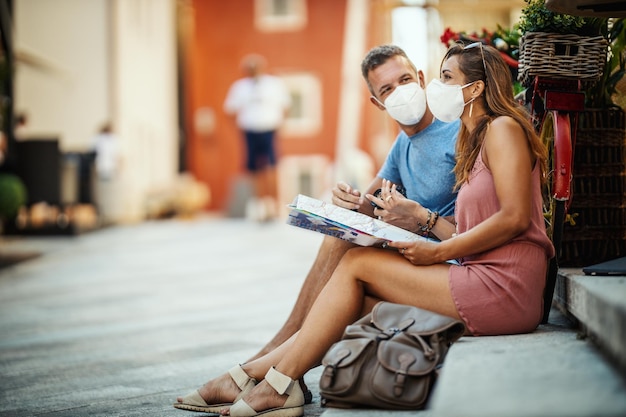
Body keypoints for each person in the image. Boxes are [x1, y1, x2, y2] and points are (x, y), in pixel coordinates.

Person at [178, 41, 556, 417]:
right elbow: (396, 207)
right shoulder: (470, 139)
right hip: (475, 271)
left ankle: (271, 381)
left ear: (472, 88)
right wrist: (358, 204)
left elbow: (514, 218)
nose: (433, 88)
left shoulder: (500, 129)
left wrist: (430, 239)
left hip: (501, 286)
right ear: (376, 101)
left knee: (356, 263)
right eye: (387, 89)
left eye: (444, 77)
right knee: (354, 297)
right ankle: (261, 377)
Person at [224, 54, 292, 221]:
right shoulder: (239, 87)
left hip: (269, 129)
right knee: (254, 168)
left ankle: (275, 205)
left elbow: (286, 106)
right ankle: (261, 204)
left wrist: (281, 124)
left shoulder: (274, 84)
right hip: (249, 130)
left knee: (272, 166)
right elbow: (229, 109)